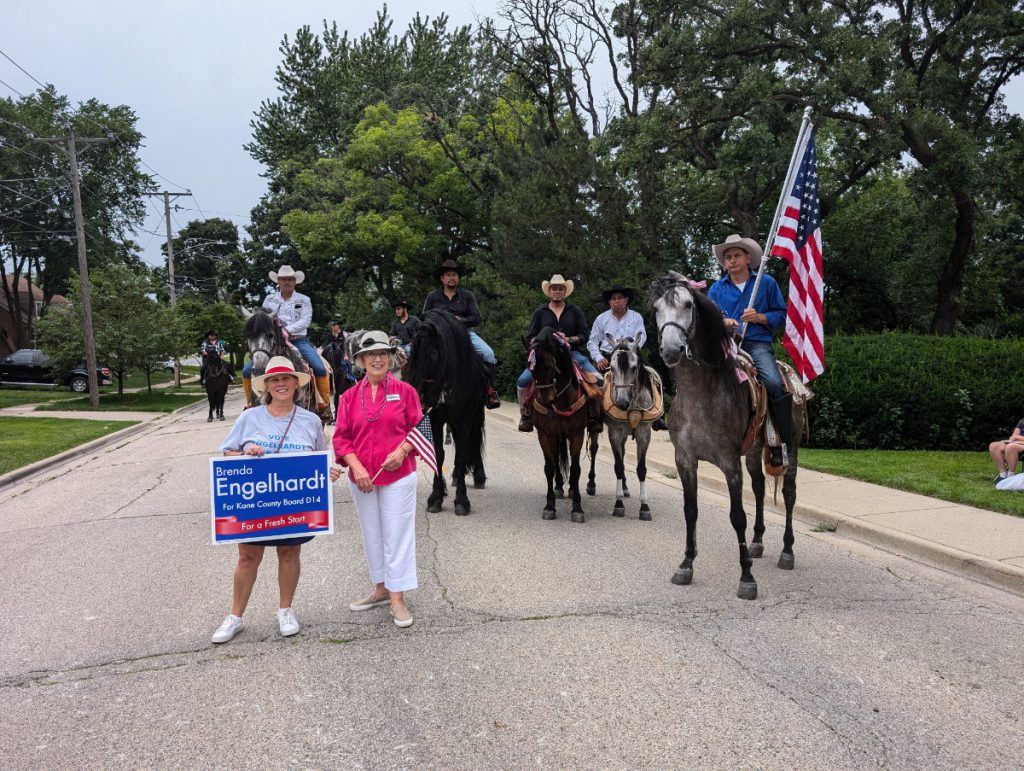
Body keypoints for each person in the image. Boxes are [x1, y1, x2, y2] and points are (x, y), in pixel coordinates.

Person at [211, 356, 342, 644]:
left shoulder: (310, 421)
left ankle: (285, 610)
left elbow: (318, 459)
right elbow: (227, 454)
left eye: (286, 379)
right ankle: (235, 616)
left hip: (292, 505)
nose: (281, 384)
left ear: (297, 383)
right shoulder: (249, 418)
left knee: (289, 554)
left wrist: (327, 471)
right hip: (255, 503)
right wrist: (246, 454)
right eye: (274, 380)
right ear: (266, 386)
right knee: (248, 557)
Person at [333, 331, 423, 628]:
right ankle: (381, 588)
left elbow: (420, 429)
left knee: (397, 534)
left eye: (383, 354)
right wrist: (356, 467)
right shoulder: (348, 397)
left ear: (390, 358)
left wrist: (403, 451)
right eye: (370, 355)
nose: (377, 359)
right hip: (363, 479)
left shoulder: (406, 392)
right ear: (360, 361)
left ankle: (398, 598)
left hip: (398, 474)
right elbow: (342, 438)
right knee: (373, 534)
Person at [708, 233, 790, 467]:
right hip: (726, 344)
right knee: (702, 377)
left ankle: (778, 442)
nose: (732, 261)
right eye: (728, 257)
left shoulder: (766, 283)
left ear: (747, 258)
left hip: (756, 343)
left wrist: (761, 317)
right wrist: (722, 323)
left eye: (736, 256)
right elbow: (708, 318)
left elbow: (780, 313)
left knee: (773, 383)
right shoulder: (716, 289)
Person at [241, 265, 332, 417]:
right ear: (278, 281)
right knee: (246, 371)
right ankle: (250, 402)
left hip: (298, 341)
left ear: (295, 281)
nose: (287, 282)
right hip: (272, 342)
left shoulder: (304, 300)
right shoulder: (269, 299)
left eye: (290, 279)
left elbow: (306, 320)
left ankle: (324, 404)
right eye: (283, 279)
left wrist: (287, 330)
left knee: (319, 368)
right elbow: (262, 320)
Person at [516, 274, 602, 433]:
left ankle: (594, 416)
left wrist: (570, 339)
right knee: (522, 381)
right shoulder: (540, 312)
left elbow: (584, 334)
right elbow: (530, 336)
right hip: (545, 357)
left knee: (599, 380)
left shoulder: (574, 311)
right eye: (554, 289)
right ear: (549, 292)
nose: (557, 291)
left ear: (565, 292)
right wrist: (539, 339)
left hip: (571, 353)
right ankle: (525, 415)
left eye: (560, 289)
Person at [422, 258, 500, 409]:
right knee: (420, 356)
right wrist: (442, 321)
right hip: (439, 336)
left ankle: (490, 393)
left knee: (489, 354)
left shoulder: (468, 295)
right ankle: (421, 395)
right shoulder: (432, 296)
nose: (452, 278)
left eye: (454, 275)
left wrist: (460, 321)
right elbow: (424, 317)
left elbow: (476, 318)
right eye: (448, 275)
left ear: (458, 278)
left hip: (464, 334)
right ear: (442, 278)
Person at [587, 284, 667, 431]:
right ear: (610, 302)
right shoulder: (601, 319)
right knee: (595, 385)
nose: (616, 301)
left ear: (626, 300)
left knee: (655, 377)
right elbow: (592, 341)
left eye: (620, 298)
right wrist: (598, 358)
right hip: (608, 357)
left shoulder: (636, 316)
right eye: (613, 299)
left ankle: (657, 417)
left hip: (631, 355)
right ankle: (596, 418)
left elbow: (641, 336)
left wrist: (632, 350)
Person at [321, 319, 348, 417]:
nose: (333, 326)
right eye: (332, 324)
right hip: (331, 362)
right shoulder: (329, 335)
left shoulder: (344, 335)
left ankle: (352, 381)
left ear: (338, 326)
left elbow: (346, 347)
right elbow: (325, 346)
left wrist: (346, 355)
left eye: (335, 324)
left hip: (341, 362)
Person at [990, 418, 1024, 483]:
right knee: (994, 446)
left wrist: (1017, 437)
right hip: (1017, 443)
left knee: (1011, 447)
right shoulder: (1022, 422)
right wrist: (1016, 437)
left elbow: (1015, 436)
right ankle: (1003, 475)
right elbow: (1013, 435)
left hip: (1018, 444)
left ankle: (1010, 476)